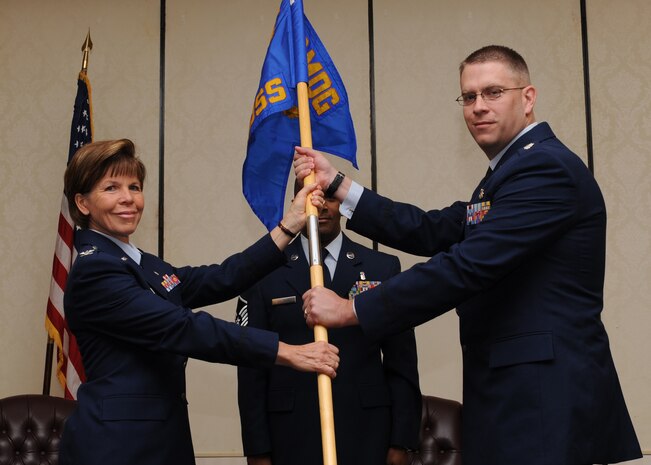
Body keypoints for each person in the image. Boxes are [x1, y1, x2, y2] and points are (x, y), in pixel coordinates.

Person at [294, 45, 642, 465]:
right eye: (469, 96)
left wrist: (353, 309)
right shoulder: (505, 176)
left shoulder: (545, 169)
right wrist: (339, 186)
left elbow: (466, 267)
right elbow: (433, 229)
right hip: (513, 394)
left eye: (493, 92)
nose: (479, 107)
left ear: (527, 98)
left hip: (544, 398)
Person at [58, 138, 340, 465]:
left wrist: (289, 225)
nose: (128, 199)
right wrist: (288, 352)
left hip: (162, 440)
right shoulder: (95, 270)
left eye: (134, 186)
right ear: (82, 203)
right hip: (117, 448)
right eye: (111, 188)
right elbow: (181, 327)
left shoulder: (141, 264)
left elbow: (221, 277)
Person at [235, 181, 421, 465]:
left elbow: (402, 362)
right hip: (291, 433)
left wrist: (402, 441)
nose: (321, 205)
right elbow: (251, 368)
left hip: (368, 431)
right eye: (311, 197)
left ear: (343, 206)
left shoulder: (382, 268)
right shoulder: (263, 272)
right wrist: (257, 450)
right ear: (296, 203)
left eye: (330, 198)